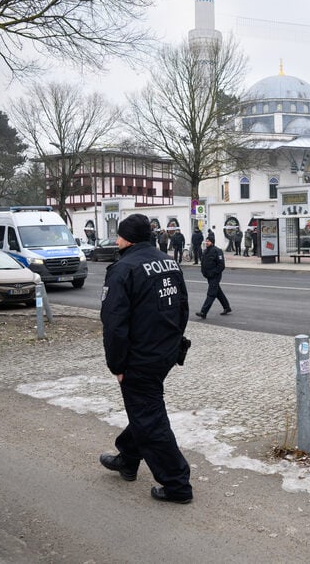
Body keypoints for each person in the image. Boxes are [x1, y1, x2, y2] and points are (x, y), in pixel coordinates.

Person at [99, 213, 194, 504]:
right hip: (165, 352)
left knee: (150, 418)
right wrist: (173, 344)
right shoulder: (168, 262)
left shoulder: (123, 268)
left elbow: (114, 324)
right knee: (146, 409)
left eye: (119, 235)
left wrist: (118, 365)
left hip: (139, 359)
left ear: (128, 238)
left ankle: (177, 484)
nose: (116, 241)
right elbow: (182, 307)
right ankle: (127, 459)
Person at [195, 235, 231, 318]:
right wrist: (203, 272)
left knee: (211, 294)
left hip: (215, 276)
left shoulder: (217, 251)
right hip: (208, 276)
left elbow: (221, 265)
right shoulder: (205, 251)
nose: (206, 242)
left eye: (208, 241)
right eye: (206, 241)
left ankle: (203, 312)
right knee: (218, 292)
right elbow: (203, 263)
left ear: (212, 242)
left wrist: (213, 273)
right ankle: (227, 307)